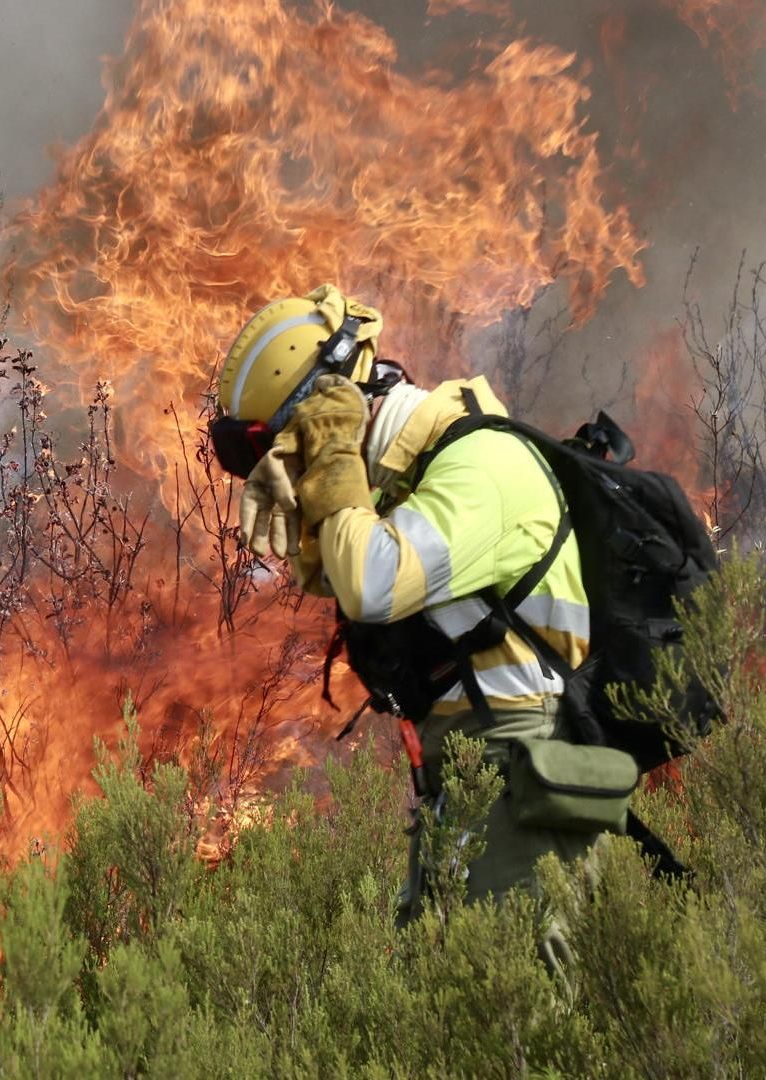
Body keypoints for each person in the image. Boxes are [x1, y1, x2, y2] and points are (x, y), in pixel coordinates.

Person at [213, 285, 604, 925]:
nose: (292, 464)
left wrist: (333, 452)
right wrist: (317, 491)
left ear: (336, 407)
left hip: (521, 755)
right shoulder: (409, 484)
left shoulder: (484, 460)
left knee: (516, 1003)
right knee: (448, 994)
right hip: (468, 767)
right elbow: (336, 574)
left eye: (290, 440)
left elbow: (371, 581)